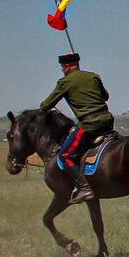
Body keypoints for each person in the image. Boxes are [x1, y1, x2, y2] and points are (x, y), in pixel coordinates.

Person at [40, 52, 114, 203]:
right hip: (107, 120)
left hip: (89, 124)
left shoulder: (65, 81)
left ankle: (85, 188)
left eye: (62, 67)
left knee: (65, 155)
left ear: (67, 66)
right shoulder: (93, 76)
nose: (62, 70)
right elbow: (105, 97)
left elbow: (46, 105)